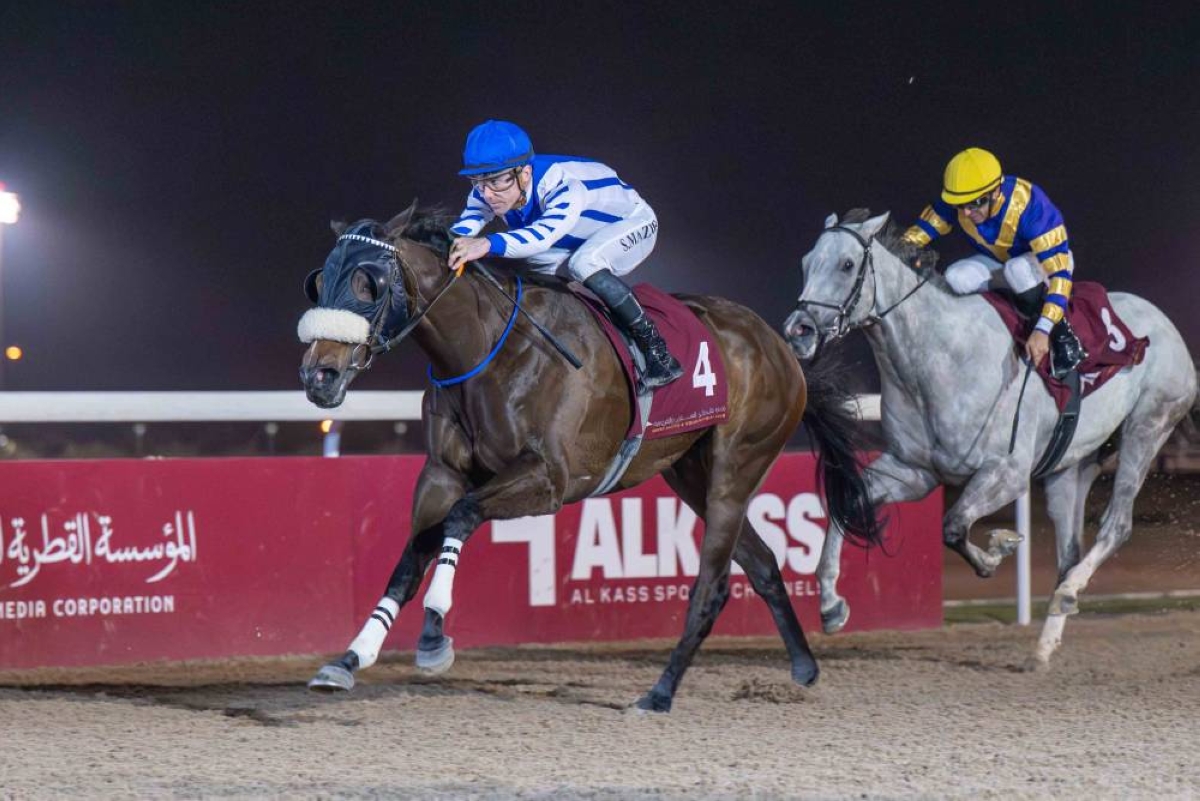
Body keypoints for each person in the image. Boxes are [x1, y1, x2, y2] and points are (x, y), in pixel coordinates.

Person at [446, 120, 683, 388]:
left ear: (524, 173)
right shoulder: (491, 187)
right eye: (478, 182)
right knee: (531, 269)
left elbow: (542, 236)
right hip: (578, 235)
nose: (487, 194)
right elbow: (467, 224)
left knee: (584, 263)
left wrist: (485, 244)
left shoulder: (564, 186)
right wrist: (445, 244)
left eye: (496, 181)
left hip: (633, 222)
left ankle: (657, 352)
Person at [901, 147, 1084, 374]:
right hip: (1000, 264)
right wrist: (895, 250)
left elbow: (1060, 274)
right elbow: (924, 229)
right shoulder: (961, 195)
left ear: (996, 192)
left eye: (976, 202)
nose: (966, 212)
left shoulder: (1031, 206)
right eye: (960, 205)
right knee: (955, 277)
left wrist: (1044, 329)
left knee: (1017, 270)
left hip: (1049, 266)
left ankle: (1062, 334)